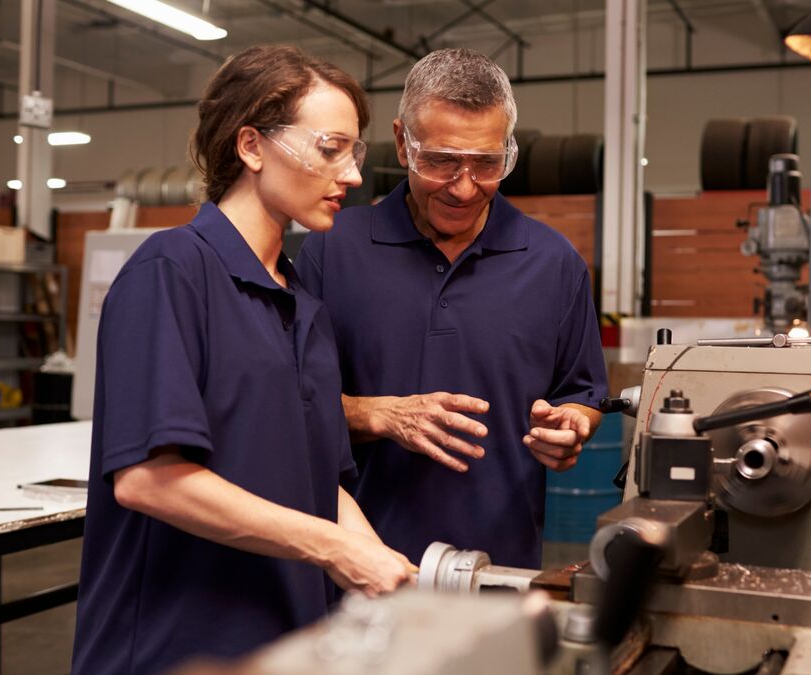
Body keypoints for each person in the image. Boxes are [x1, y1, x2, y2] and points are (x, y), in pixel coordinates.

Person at [71, 46, 414, 674]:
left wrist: (388, 576)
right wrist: (335, 549)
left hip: (283, 647)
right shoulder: (170, 272)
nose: (353, 176)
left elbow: (323, 485)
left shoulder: (302, 303)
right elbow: (149, 479)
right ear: (252, 147)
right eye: (331, 148)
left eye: (354, 153)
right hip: (172, 650)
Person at [295, 48, 608, 570]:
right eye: (440, 161)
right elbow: (289, 400)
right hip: (357, 565)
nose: (464, 188)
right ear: (402, 143)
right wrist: (377, 414)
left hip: (501, 570)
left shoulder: (554, 264)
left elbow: (582, 393)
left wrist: (571, 426)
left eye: (487, 164)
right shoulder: (333, 250)